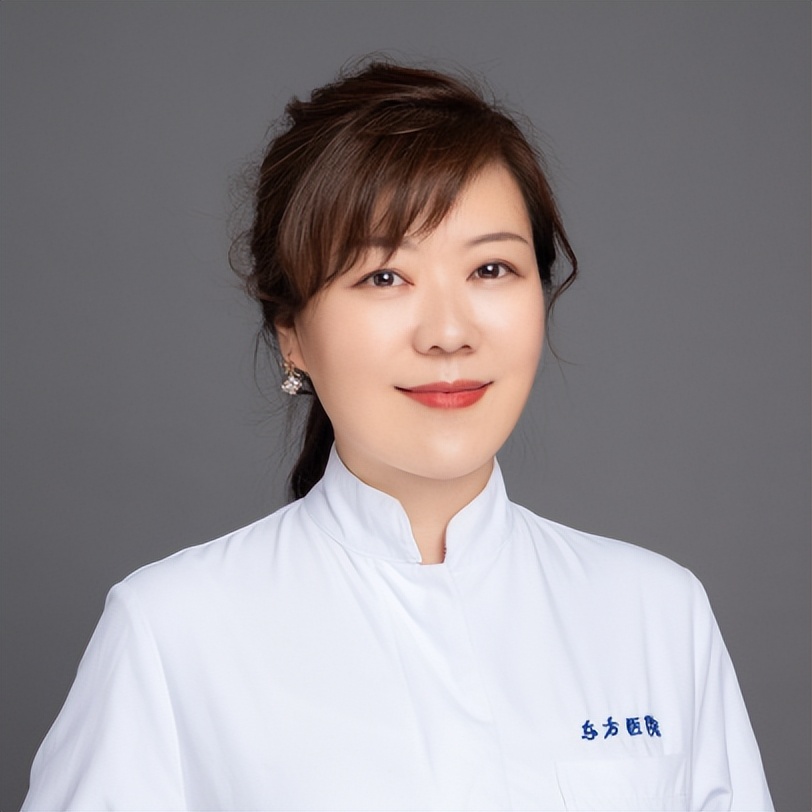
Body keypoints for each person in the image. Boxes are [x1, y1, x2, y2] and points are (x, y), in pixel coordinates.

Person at [23, 61, 772, 811]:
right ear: (291, 333)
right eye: (384, 277)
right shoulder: (172, 632)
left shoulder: (656, 614)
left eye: (491, 268)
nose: (448, 332)